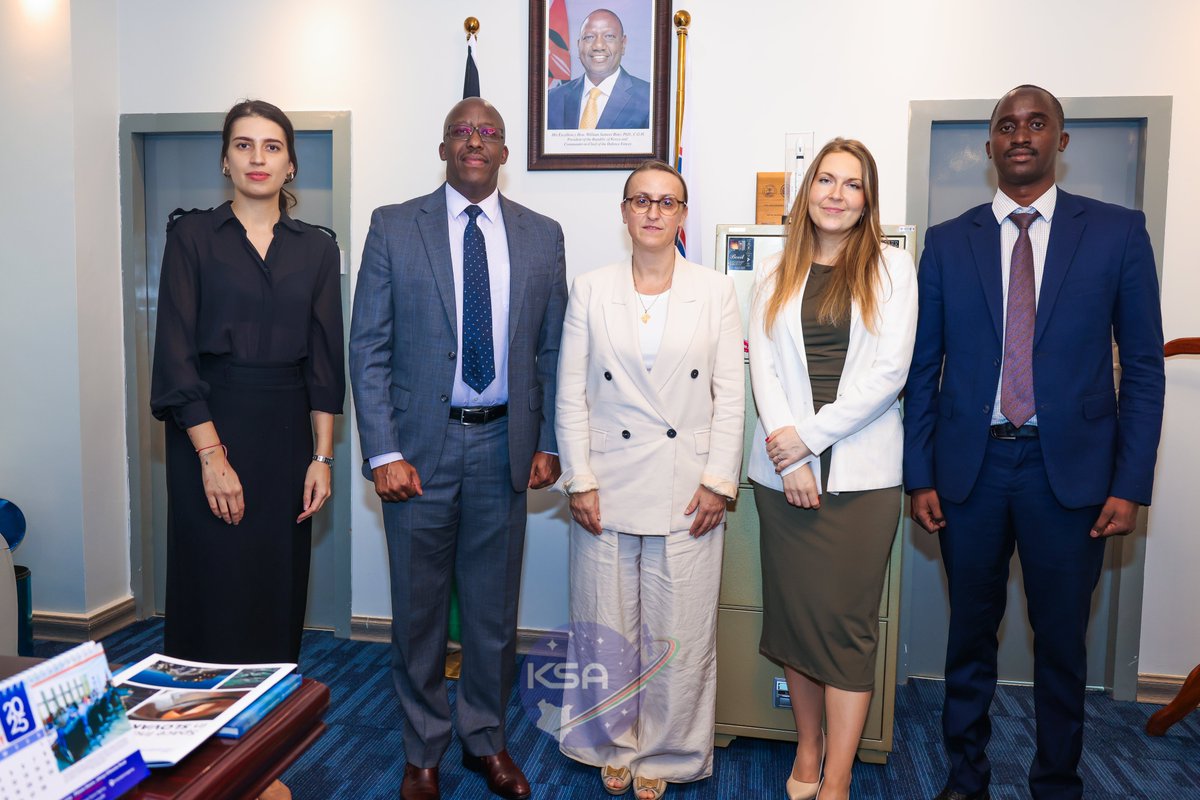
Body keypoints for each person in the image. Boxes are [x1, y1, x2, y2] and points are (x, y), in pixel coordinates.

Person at [903, 85, 1165, 800]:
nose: (1021, 135)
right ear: (990, 145)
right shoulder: (949, 241)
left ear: (1061, 141)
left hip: (1072, 477)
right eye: (1007, 126)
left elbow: (1143, 367)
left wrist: (1130, 482)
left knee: (1060, 648)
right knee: (969, 642)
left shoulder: (1116, 232)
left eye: (1037, 123)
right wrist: (918, 472)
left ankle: (1056, 783)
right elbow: (925, 366)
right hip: (971, 470)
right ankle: (965, 780)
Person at [349, 97, 567, 800]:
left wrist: (548, 441)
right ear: (444, 147)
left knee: (492, 616)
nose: (476, 141)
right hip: (418, 451)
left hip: (506, 444)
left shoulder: (543, 235)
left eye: (490, 133)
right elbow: (370, 348)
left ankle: (484, 740)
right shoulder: (392, 226)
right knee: (416, 616)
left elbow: (551, 349)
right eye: (463, 132)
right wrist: (383, 452)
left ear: (505, 152)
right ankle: (422, 750)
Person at [556, 161, 744, 800]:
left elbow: (730, 396)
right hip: (605, 485)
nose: (654, 212)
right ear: (625, 211)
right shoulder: (591, 288)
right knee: (604, 622)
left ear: (683, 215)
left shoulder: (715, 291)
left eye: (668, 202)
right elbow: (571, 393)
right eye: (642, 200)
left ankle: (667, 752)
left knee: (680, 631)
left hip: (688, 488)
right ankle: (609, 742)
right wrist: (578, 478)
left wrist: (721, 481)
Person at [747, 138, 917, 800]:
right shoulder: (771, 270)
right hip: (781, 476)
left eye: (851, 184)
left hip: (861, 482)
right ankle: (808, 747)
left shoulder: (894, 268)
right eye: (825, 180)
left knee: (845, 629)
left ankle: (838, 775)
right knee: (796, 624)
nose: (836, 193)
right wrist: (786, 450)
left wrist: (805, 442)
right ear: (808, 189)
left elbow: (888, 374)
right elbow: (761, 364)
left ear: (867, 198)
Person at [150, 99, 344, 666]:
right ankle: (196, 718)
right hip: (206, 428)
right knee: (211, 578)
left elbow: (325, 365)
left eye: (272, 146)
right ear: (225, 162)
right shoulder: (191, 237)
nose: (257, 158)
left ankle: (267, 722)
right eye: (243, 145)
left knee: (276, 583)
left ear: (291, 166)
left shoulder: (317, 247)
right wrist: (212, 456)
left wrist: (322, 460)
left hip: (288, 437)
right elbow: (175, 354)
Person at [546, 8, 651, 130]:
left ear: (623, 44)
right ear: (579, 45)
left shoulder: (649, 98)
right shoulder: (552, 99)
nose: (598, 45)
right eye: (589, 37)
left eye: (609, 36)